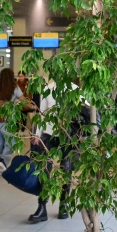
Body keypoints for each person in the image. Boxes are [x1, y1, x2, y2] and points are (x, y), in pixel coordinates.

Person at [28, 83, 70, 223]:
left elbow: (84, 112)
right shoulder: (47, 89)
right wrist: (37, 134)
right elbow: (42, 114)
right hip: (48, 135)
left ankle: (64, 205)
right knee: (44, 170)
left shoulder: (75, 89)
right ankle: (42, 208)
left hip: (67, 136)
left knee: (66, 169)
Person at [0, 68, 22, 175]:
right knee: (11, 142)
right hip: (7, 119)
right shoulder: (14, 88)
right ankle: (2, 162)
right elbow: (23, 100)